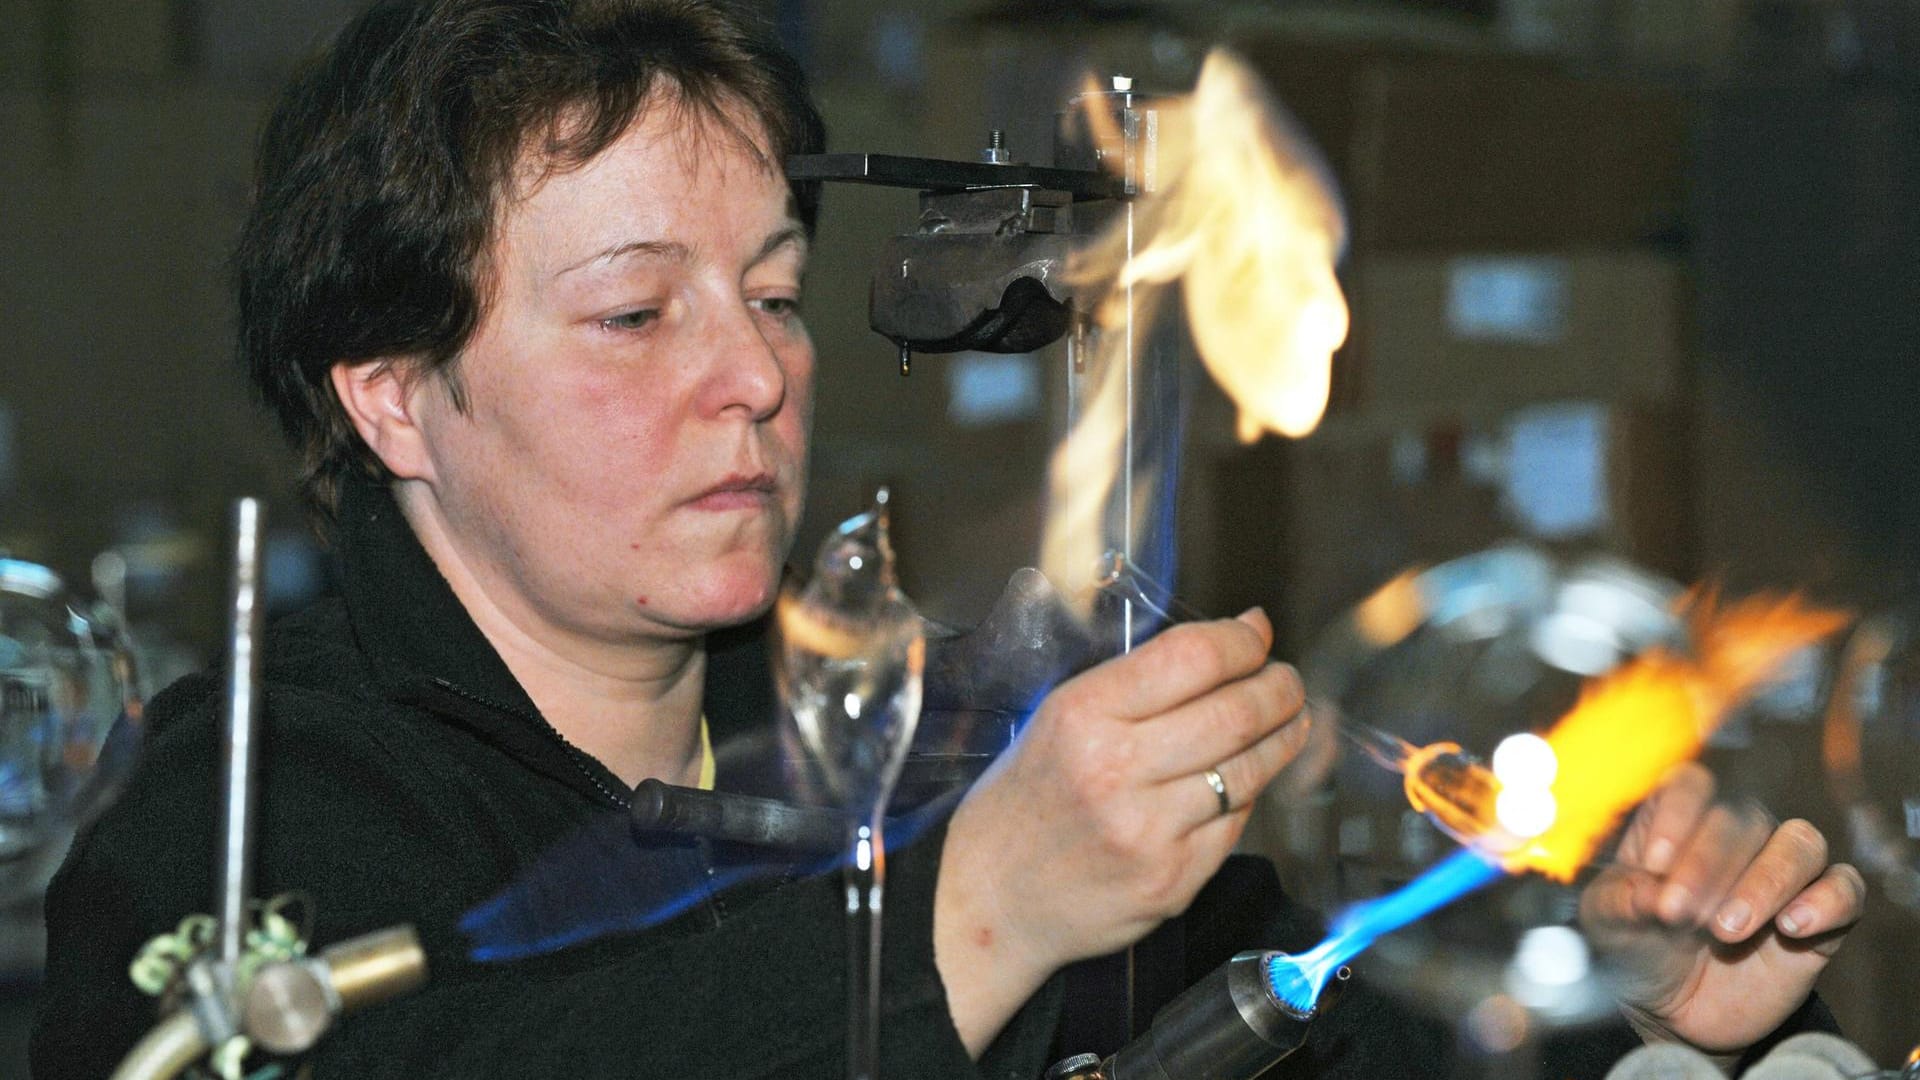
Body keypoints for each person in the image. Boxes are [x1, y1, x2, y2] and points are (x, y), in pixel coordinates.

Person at [31, 1, 1865, 1077]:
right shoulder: (240, 829)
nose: (756, 373)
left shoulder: (932, 736)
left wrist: (1637, 1021)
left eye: (773, 294)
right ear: (391, 396)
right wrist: (974, 914)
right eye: (633, 315)